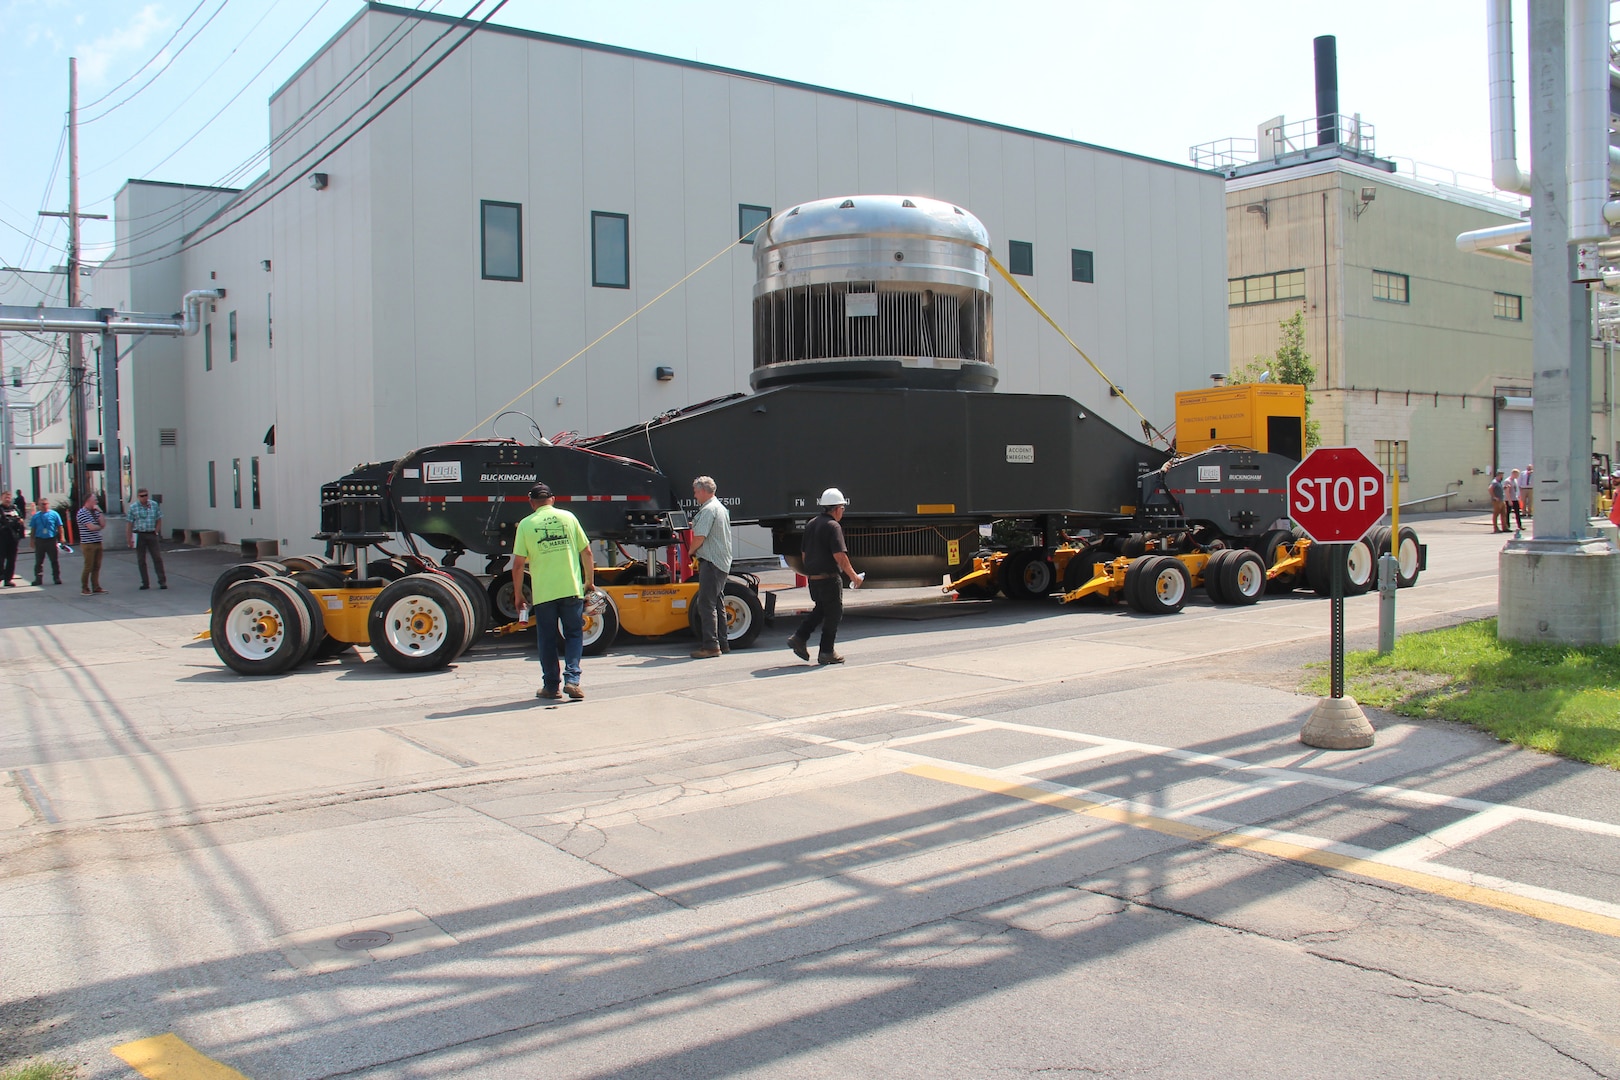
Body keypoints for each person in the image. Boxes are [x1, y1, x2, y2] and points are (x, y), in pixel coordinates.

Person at [511, 481, 595, 701]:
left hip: (544, 593)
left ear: (531, 503)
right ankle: (573, 680)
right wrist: (589, 581)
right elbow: (586, 551)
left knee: (547, 639)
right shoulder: (569, 518)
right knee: (574, 635)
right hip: (571, 589)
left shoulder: (526, 525)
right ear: (553, 499)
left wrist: (519, 594)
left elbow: (518, 564)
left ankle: (551, 686)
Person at [787, 487, 863, 665]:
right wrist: (854, 577)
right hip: (829, 578)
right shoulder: (833, 526)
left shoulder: (811, 523)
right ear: (836, 508)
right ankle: (826, 651)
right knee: (834, 613)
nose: (842, 511)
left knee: (821, 609)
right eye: (842, 508)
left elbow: (804, 554)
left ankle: (799, 637)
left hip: (814, 579)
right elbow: (840, 556)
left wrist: (812, 572)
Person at [688, 475, 734, 659]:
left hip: (712, 562)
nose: (694, 495)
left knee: (706, 604)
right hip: (721, 562)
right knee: (717, 603)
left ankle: (711, 646)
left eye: (696, 491)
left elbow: (700, 537)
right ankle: (723, 642)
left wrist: (691, 551)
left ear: (703, 491)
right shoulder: (719, 507)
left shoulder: (708, 510)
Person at [126, 487, 167, 589]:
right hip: (140, 534)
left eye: (146, 495)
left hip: (151, 533)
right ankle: (145, 582)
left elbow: (159, 519)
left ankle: (162, 581)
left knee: (157, 557)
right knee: (141, 559)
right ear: (138, 497)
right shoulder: (133, 507)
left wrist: (156, 531)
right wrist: (129, 538)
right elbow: (129, 524)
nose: (144, 498)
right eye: (142, 496)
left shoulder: (154, 505)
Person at [75, 493, 108, 594]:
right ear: (88, 500)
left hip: (97, 541)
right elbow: (91, 527)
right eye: (94, 500)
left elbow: (103, 524)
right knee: (88, 566)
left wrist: (100, 512)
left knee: (96, 566)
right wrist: (98, 527)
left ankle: (96, 586)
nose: (96, 502)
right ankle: (84, 588)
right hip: (88, 543)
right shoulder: (82, 513)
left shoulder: (95, 512)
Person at [29, 497, 64, 586]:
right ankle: (38, 578)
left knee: (54, 560)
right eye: (42, 504)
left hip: (51, 540)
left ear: (48, 504)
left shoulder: (54, 514)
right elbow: (33, 529)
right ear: (39, 506)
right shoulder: (36, 516)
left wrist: (62, 538)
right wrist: (32, 540)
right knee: (39, 561)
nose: (44, 506)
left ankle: (56, 577)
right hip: (40, 540)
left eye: (45, 504)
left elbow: (60, 527)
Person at [0, 490, 24, 587]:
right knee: (1, 559)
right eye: (6, 497)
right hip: (2, 537)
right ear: (1, 498)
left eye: (9, 497)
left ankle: (8, 579)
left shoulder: (14, 508)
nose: (7, 499)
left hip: (13, 538)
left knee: (11, 559)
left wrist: (19, 522)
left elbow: (20, 519)